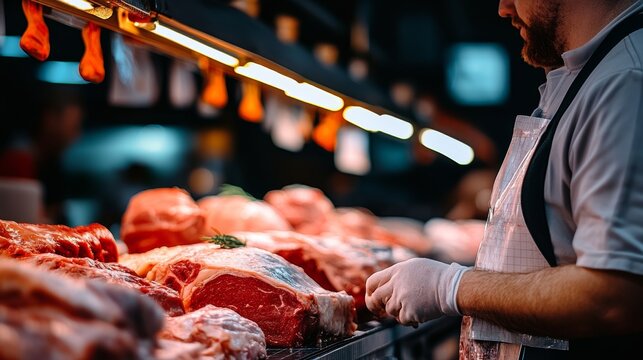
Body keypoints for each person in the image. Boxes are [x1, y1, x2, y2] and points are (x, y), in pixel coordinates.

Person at [365, 0, 643, 359]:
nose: (503, 8)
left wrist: (450, 287)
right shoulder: (587, 75)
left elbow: (614, 296)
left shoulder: (625, 83)